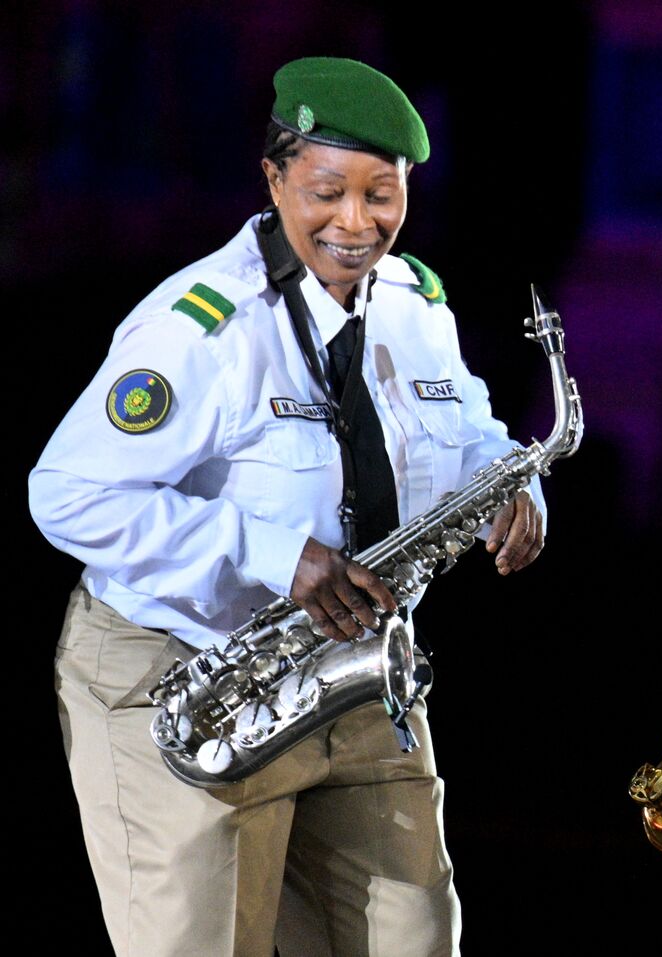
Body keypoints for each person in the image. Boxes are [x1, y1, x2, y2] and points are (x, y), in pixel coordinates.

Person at [30, 57, 544, 957]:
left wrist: (514, 480)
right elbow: (67, 493)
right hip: (188, 673)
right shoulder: (201, 326)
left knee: (415, 942)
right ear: (273, 180)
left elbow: (470, 429)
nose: (357, 222)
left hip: (352, 664)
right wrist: (278, 553)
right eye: (327, 191)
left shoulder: (418, 304)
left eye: (382, 194)